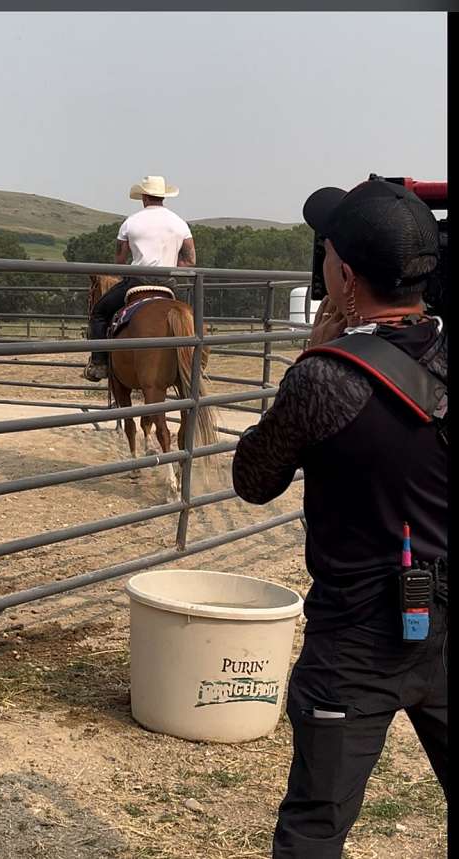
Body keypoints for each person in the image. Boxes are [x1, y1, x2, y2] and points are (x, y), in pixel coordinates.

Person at [231, 179, 447, 859]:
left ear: (344, 276)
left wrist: (308, 355)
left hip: (354, 636)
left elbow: (254, 478)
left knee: (316, 828)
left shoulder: (325, 377)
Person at [83, 175, 196, 381]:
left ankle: (99, 364)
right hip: (168, 283)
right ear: (163, 197)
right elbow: (190, 260)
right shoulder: (179, 223)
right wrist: (170, 263)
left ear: (144, 197)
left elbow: (119, 260)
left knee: (99, 313)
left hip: (137, 283)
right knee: (191, 321)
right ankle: (197, 364)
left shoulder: (130, 222)